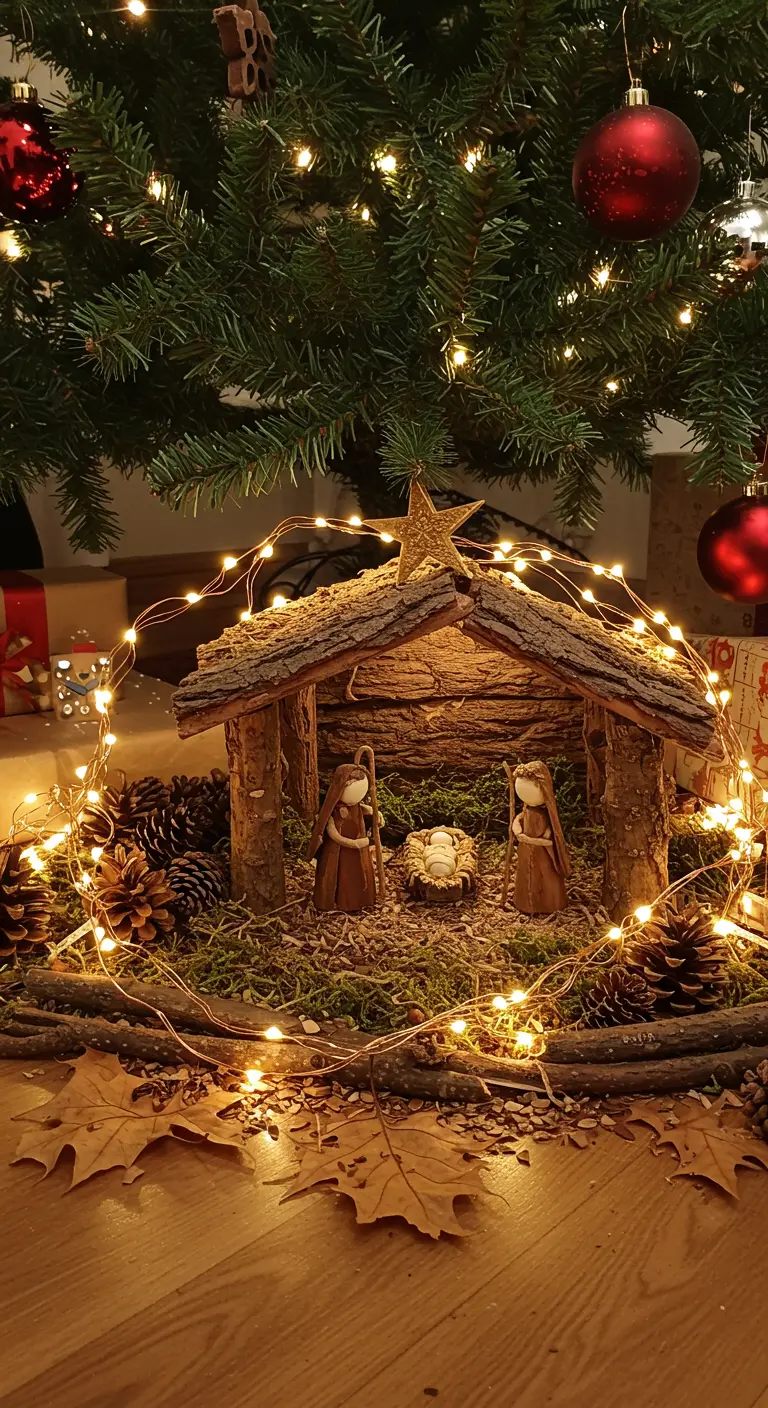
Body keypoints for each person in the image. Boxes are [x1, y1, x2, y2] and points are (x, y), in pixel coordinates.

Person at [307, 762, 377, 911]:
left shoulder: (356, 807)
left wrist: (377, 815)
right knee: (342, 875)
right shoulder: (332, 813)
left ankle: (361, 899)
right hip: (339, 854)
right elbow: (334, 835)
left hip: (357, 853)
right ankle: (338, 901)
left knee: (358, 873)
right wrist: (357, 843)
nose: (356, 797)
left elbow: (366, 810)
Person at [508, 760, 571, 914]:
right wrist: (516, 829)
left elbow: (549, 840)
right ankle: (524, 902)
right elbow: (518, 819)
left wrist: (527, 839)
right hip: (525, 852)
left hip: (542, 855)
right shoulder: (527, 810)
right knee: (525, 876)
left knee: (544, 878)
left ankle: (547, 904)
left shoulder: (546, 816)